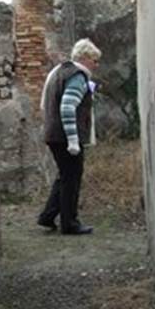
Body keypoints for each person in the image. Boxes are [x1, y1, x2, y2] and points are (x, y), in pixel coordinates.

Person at [37, 38, 102, 235]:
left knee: (65, 176)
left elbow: (45, 104)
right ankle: (70, 223)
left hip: (53, 133)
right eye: (94, 60)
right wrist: (73, 140)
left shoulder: (58, 72)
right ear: (83, 58)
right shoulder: (77, 75)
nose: (96, 65)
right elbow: (67, 107)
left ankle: (47, 216)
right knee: (72, 178)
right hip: (65, 136)